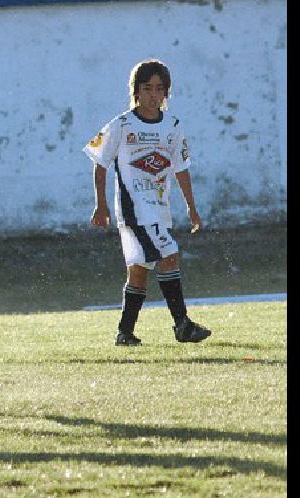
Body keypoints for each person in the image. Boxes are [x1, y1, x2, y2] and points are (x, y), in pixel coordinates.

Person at [83, 58, 212, 347]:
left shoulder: (173, 126)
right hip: (133, 211)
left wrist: (191, 207)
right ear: (136, 91)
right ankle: (182, 325)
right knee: (169, 254)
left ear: (167, 93)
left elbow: (181, 168)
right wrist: (100, 205)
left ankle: (124, 334)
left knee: (139, 272)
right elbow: (99, 161)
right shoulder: (121, 124)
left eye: (159, 89)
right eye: (147, 88)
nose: (153, 95)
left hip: (158, 210)